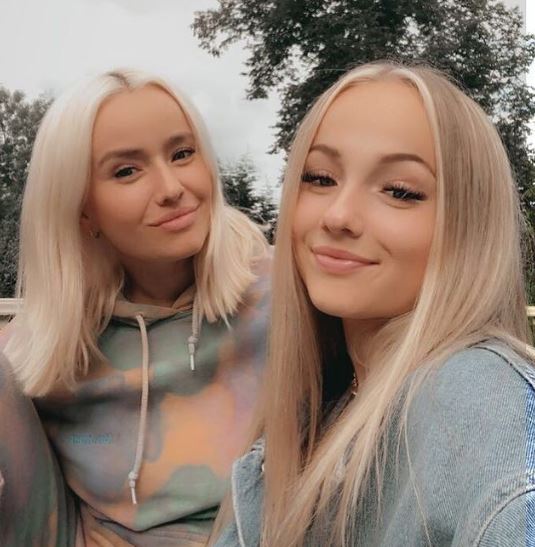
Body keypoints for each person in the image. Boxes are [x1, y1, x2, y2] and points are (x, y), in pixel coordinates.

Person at [213, 62, 535, 546]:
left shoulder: (483, 401)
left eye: (400, 191)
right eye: (320, 178)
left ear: (469, 225)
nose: (339, 215)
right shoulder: (325, 400)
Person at [2, 68, 270, 546]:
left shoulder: (284, 301)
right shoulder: (49, 351)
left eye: (183, 153)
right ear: (83, 210)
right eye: (127, 170)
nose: (171, 188)